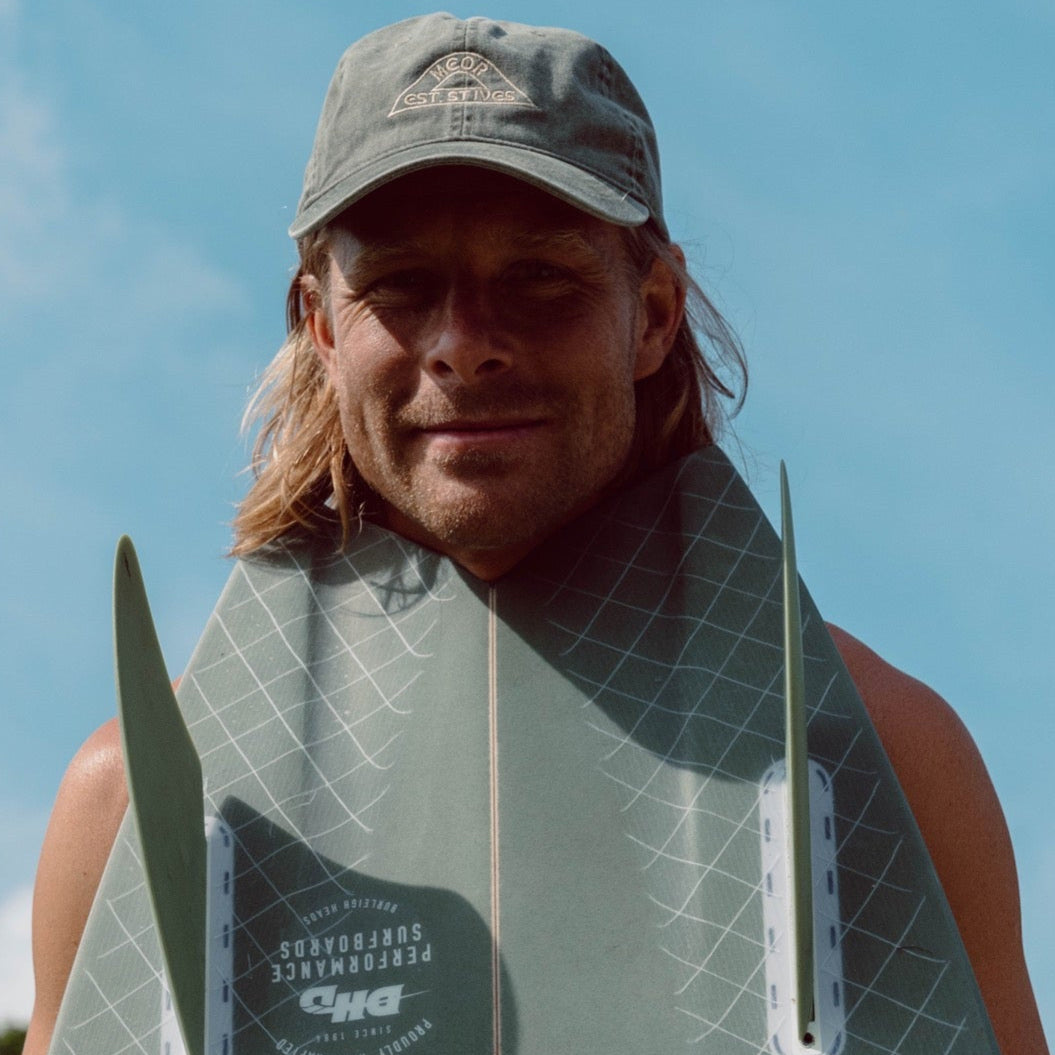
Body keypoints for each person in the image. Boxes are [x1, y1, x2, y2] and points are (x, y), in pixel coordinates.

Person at [25, 14, 1047, 1055]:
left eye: (540, 277)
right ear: (323, 327)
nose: (463, 345)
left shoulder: (872, 755)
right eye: (400, 285)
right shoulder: (138, 809)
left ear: (653, 314)